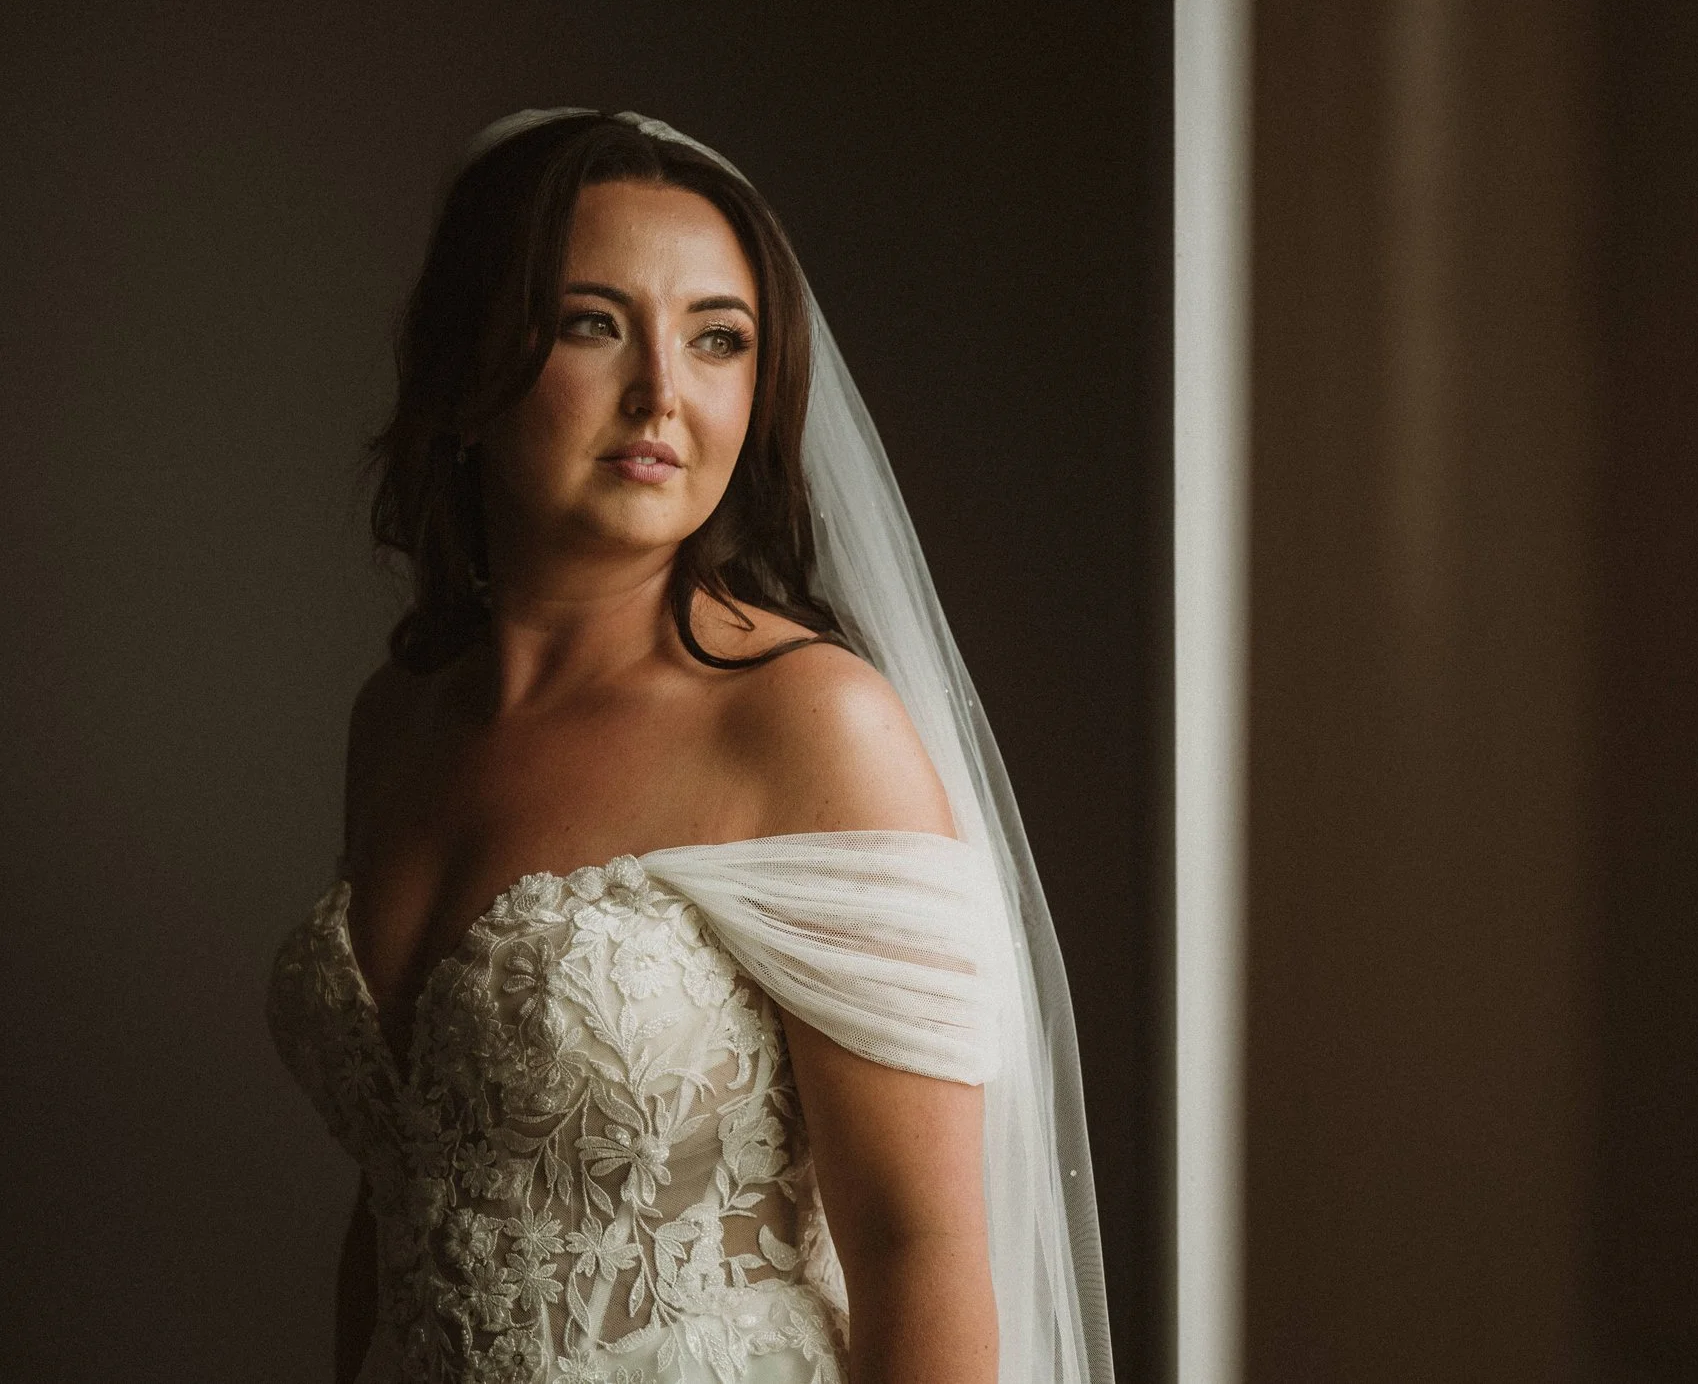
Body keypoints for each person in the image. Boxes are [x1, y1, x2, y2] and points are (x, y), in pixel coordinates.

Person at [266, 110, 1112, 1384]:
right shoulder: (398, 719)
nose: (662, 389)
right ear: (467, 366)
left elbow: (921, 1247)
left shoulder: (807, 724)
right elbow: (400, 1198)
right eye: (592, 323)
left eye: (719, 337)